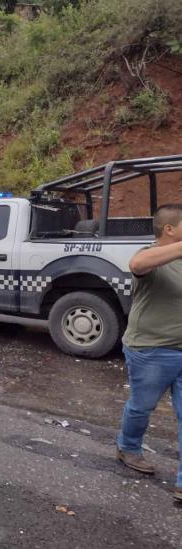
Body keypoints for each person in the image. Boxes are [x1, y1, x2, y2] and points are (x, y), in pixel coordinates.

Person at [116, 204, 182, 502]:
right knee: (142, 407)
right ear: (170, 229)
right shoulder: (152, 255)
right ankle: (128, 447)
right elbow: (138, 264)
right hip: (151, 349)